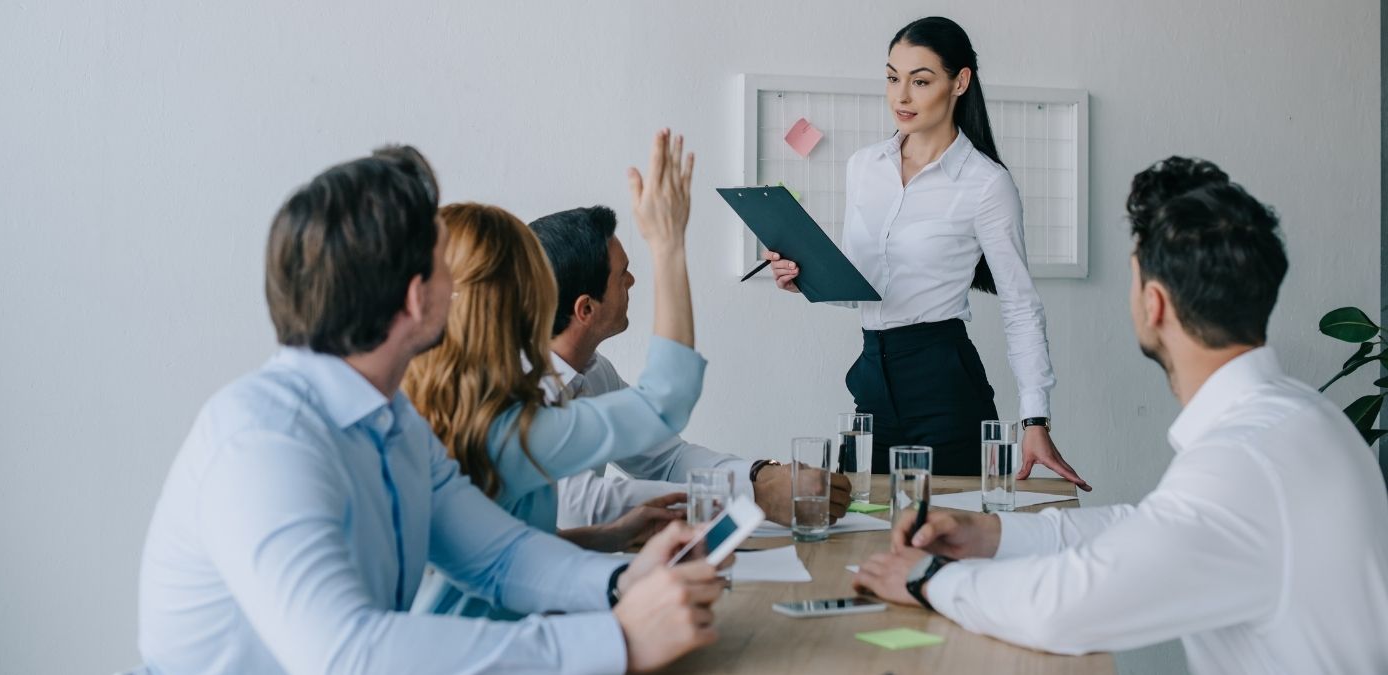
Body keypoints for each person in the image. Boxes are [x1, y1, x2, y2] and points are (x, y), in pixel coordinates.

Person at [137, 144, 726, 674]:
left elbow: (497, 554)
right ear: (419, 298)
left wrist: (623, 579)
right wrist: (616, 640)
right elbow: (349, 655)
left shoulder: (392, 423)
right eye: (448, 262)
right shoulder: (263, 442)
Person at [851, 157, 1388, 674]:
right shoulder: (1300, 418)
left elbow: (1065, 607)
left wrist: (928, 579)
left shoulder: (1243, 460)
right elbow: (1150, 528)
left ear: (1153, 303)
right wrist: (991, 533)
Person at [405, 131, 733, 616]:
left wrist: (611, 537)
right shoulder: (509, 425)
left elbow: (501, 551)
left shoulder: (444, 405)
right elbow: (665, 400)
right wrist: (668, 245)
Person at [766, 16, 1087, 489]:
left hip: (945, 386)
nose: (901, 96)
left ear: (960, 82)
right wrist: (806, 280)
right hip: (872, 381)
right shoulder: (864, 167)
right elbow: (867, 292)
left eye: (920, 81)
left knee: (949, 542)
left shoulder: (985, 184)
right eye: (893, 78)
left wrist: (1034, 420)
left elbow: (1021, 305)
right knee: (863, 533)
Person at [528, 205, 852, 530]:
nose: (632, 280)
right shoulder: (520, 388)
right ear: (586, 308)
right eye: (621, 274)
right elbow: (576, 507)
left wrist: (763, 475)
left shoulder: (594, 370)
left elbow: (665, 459)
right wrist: (757, 497)